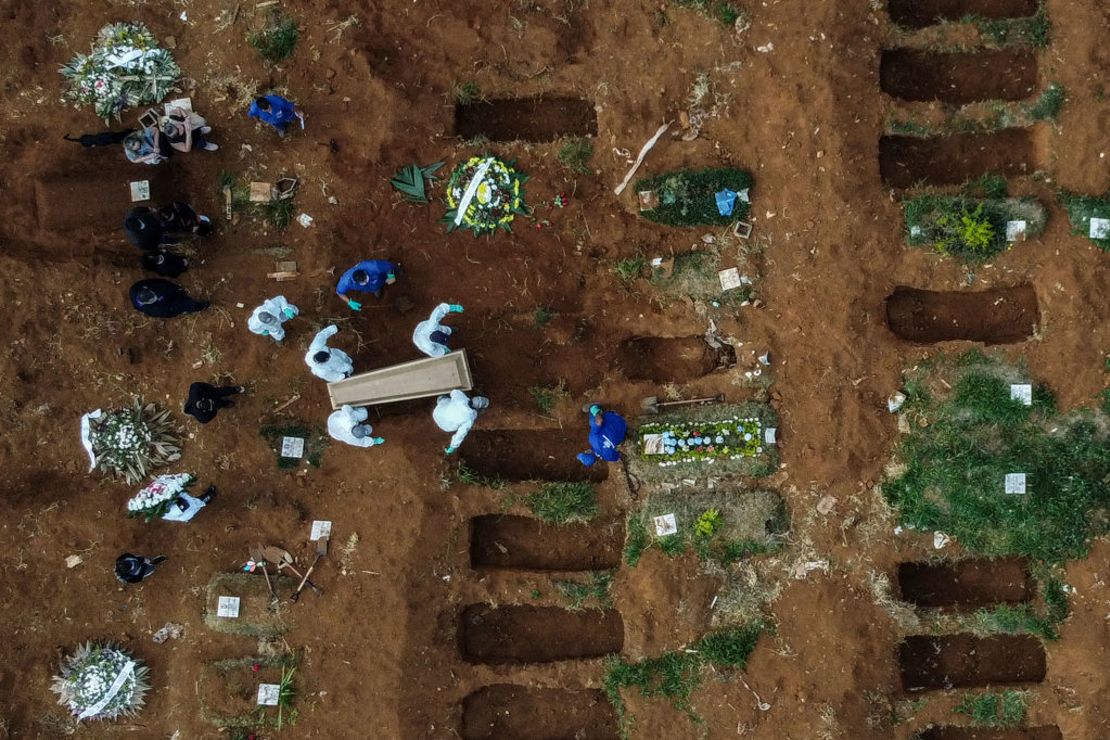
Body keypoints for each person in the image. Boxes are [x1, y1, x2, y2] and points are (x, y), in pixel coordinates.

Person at [434, 390, 489, 455]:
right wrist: (452, 447)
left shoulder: (461, 398)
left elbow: (454, 392)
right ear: (478, 408)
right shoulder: (469, 418)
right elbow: (460, 434)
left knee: (442, 399)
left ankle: (442, 401)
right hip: (446, 427)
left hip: (437, 412)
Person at [129, 279, 208, 318]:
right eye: (153, 298)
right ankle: (204, 306)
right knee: (190, 305)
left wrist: (175, 288)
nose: (155, 296)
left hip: (166, 290)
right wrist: (181, 309)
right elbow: (169, 312)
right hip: (171, 303)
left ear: (145, 288)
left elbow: (155, 281)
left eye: (152, 294)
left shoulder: (135, 288)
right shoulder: (155, 310)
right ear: (148, 303)